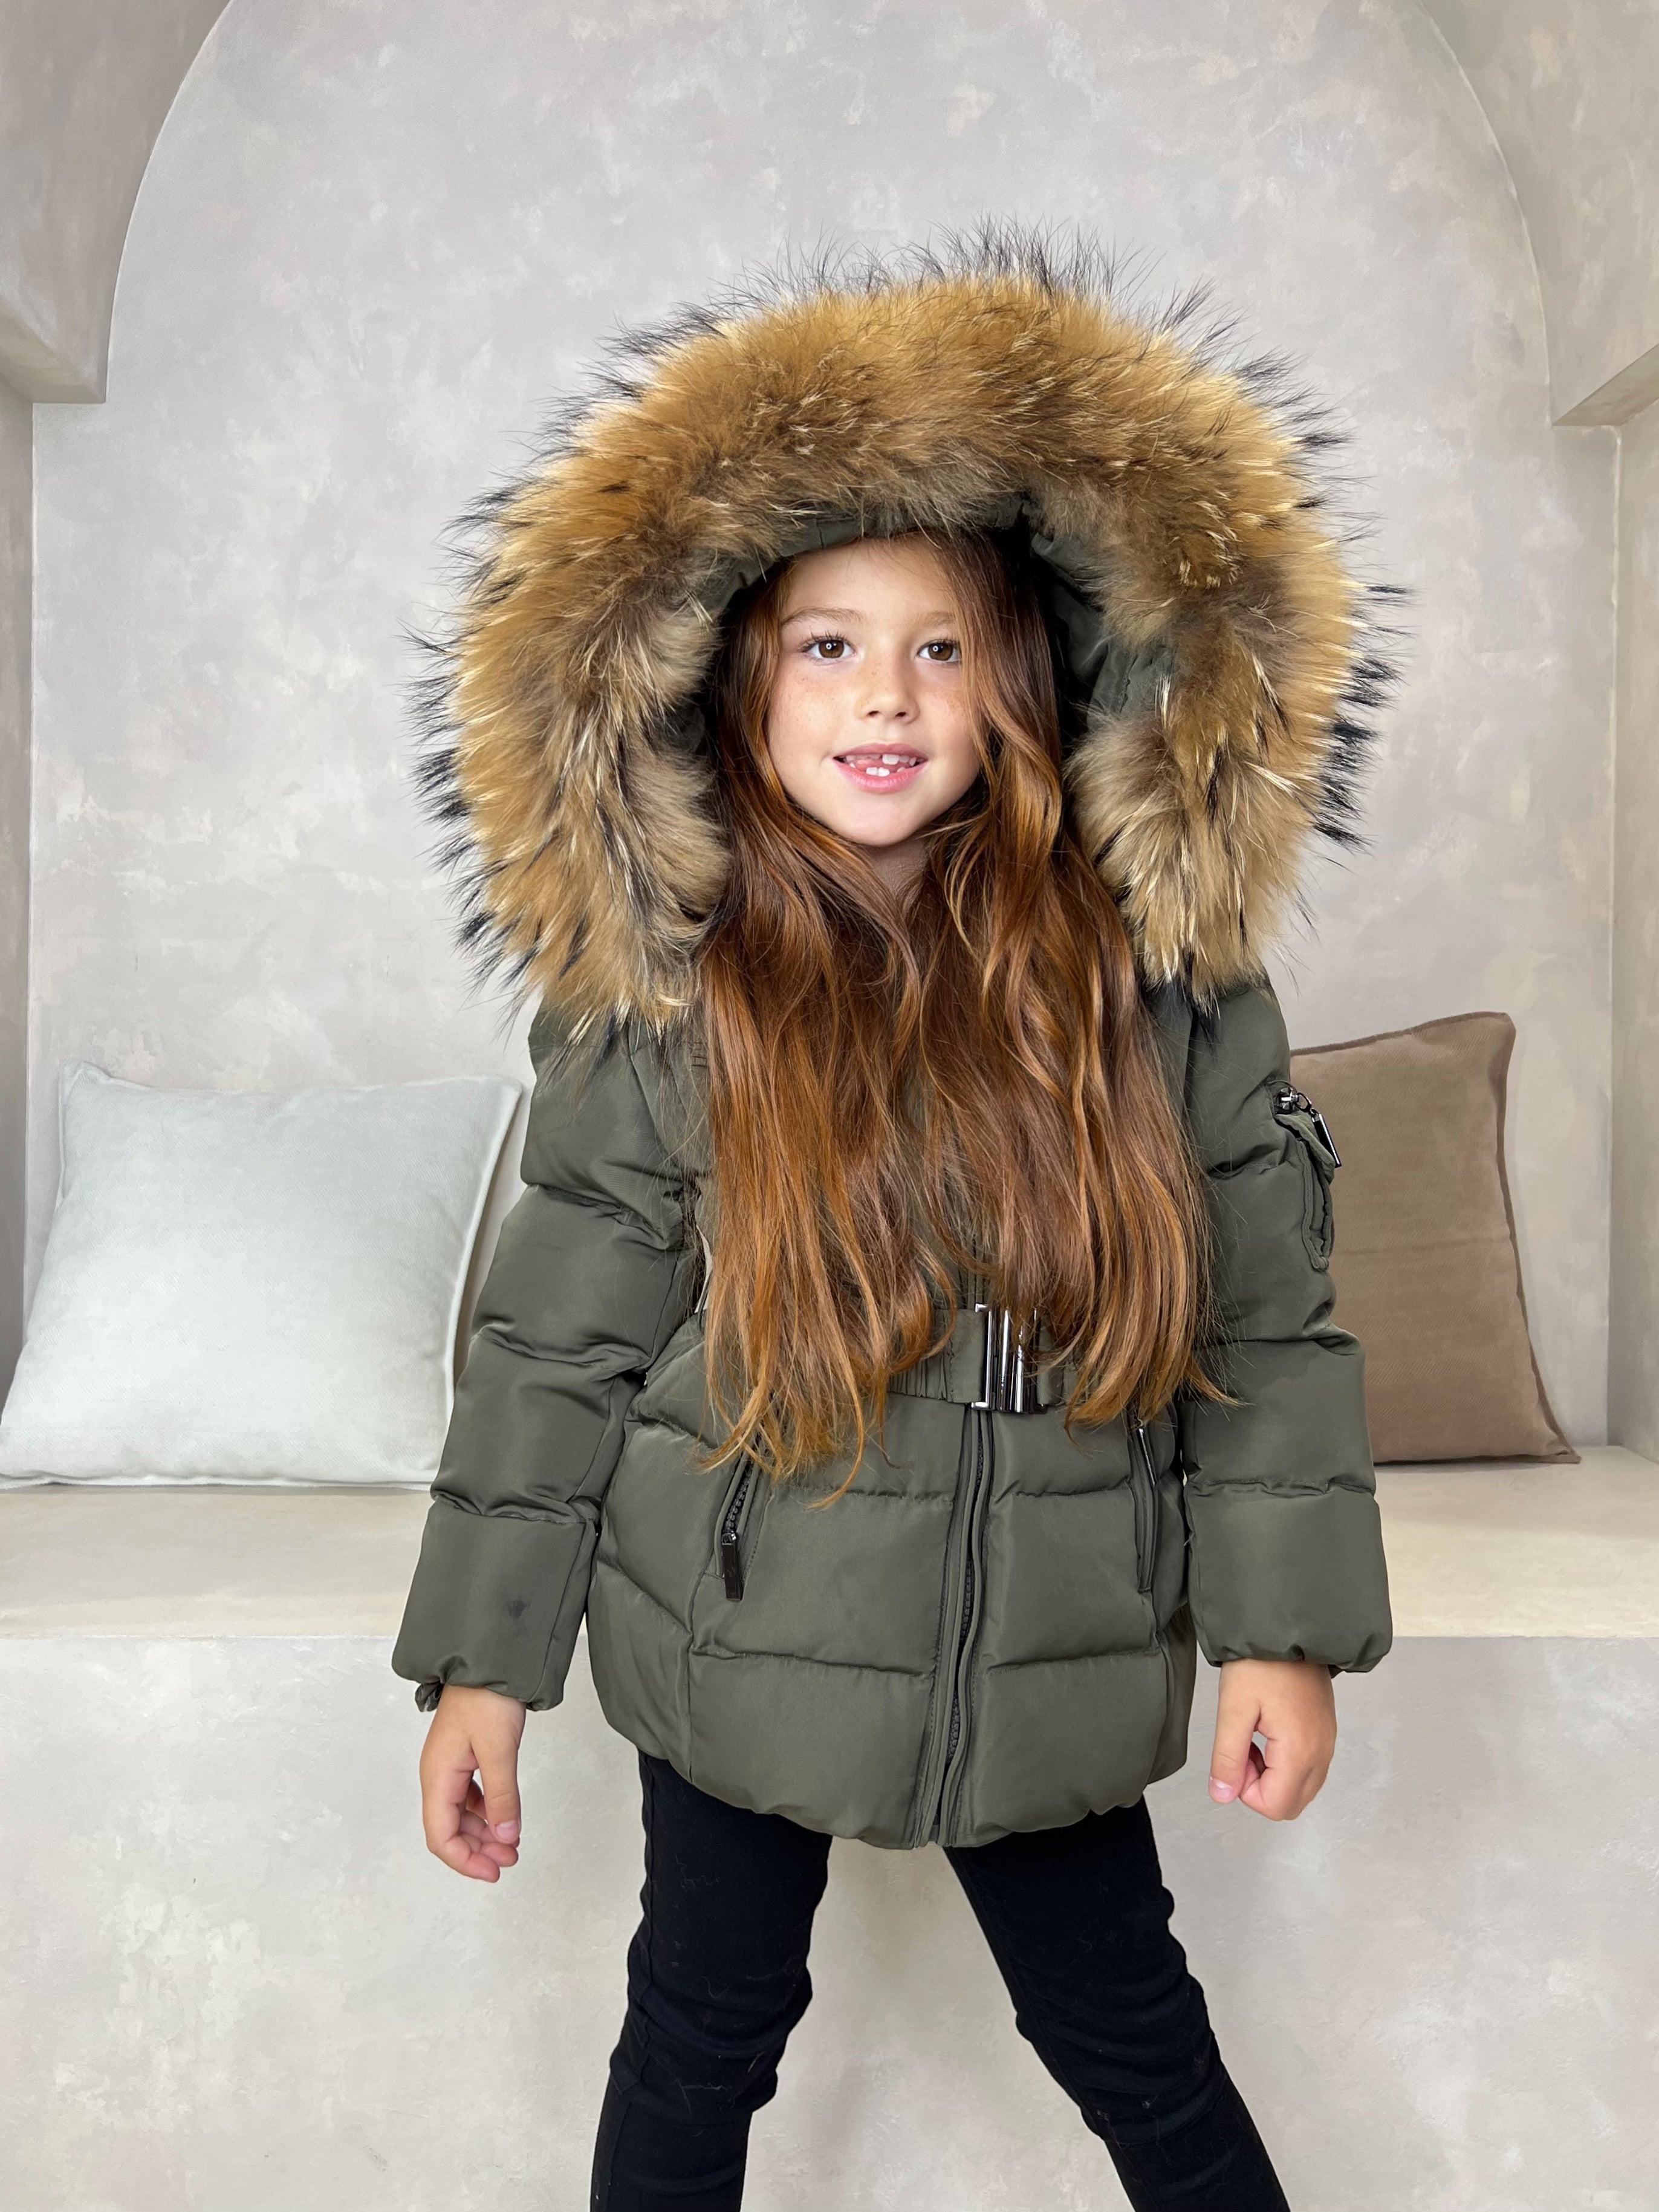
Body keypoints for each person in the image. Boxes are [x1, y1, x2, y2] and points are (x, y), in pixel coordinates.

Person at [391, 226, 1396, 2212]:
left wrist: (1286, 1634)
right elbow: (556, 1344)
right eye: (829, 644)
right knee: (700, 2028)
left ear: (1025, 678)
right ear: (734, 683)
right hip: (740, 1629)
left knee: (1138, 2039)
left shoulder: (1151, 979)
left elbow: (1266, 1329)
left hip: (1051, 1637)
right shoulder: (675, 991)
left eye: (941, 648)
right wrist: (481, 1669)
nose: (888, 693)